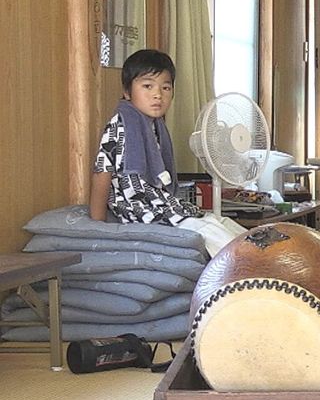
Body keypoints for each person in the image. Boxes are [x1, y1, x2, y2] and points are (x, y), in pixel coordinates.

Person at [88, 48, 242, 256]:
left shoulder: (155, 126)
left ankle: (263, 262)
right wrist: (98, 227)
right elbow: (102, 170)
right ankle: (243, 270)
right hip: (139, 208)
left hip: (163, 203)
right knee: (208, 233)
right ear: (127, 91)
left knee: (221, 223)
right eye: (147, 86)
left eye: (166, 88)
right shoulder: (121, 125)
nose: (157, 95)